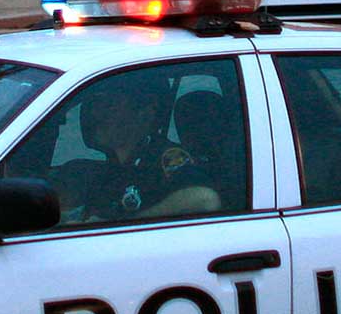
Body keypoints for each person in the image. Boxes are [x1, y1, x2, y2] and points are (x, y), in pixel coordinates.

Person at [55, 74, 220, 223]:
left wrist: (127, 223)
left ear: (146, 113)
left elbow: (205, 199)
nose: (99, 115)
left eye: (110, 106)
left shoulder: (167, 157)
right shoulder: (107, 170)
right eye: (97, 105)